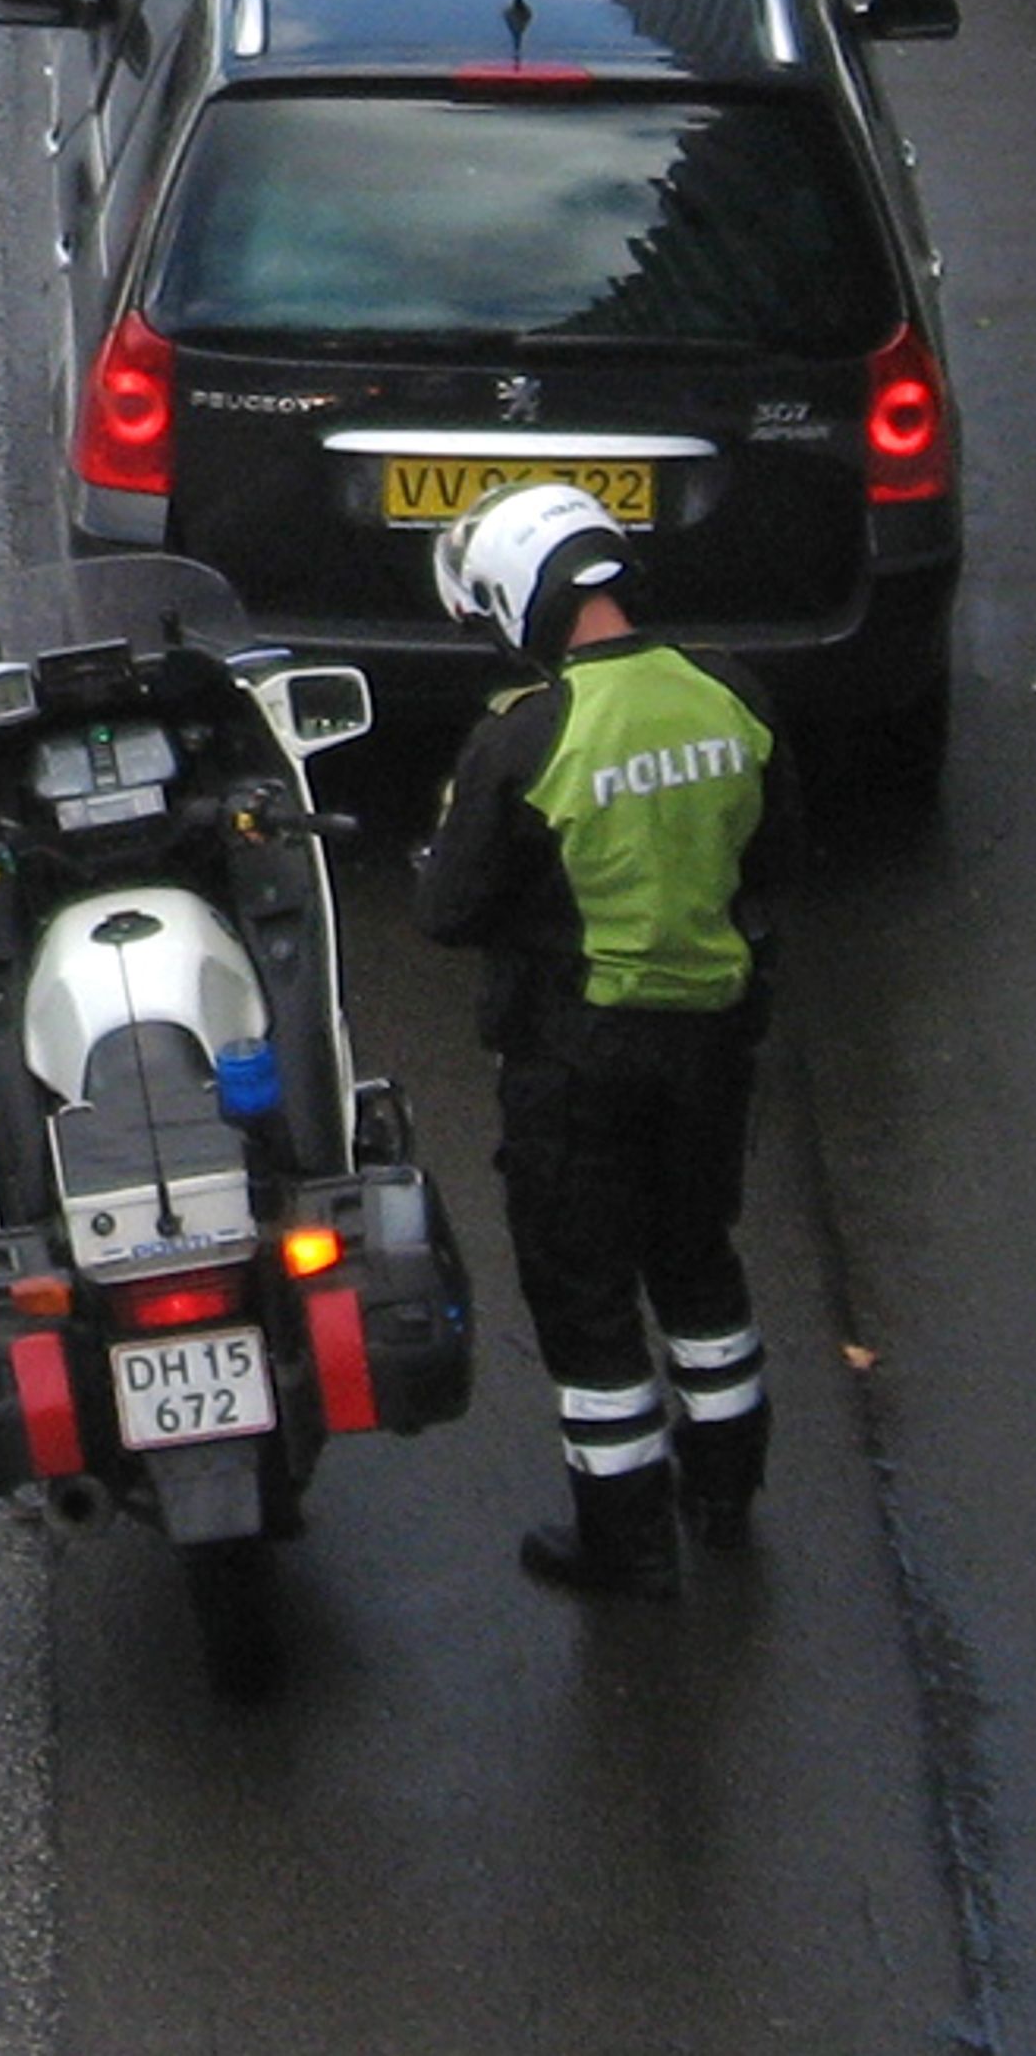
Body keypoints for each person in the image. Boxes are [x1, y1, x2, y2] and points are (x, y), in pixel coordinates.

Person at [413, 481, 799, 1600]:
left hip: (577, 1062)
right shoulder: (729, 691)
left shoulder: (525, 736)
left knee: (584, 1296)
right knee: (697, 1261)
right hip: (712, 1045)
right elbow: (778, 856)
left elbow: (448, 912)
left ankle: (626, 1544)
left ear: (514, 596)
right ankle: (723, 1494)